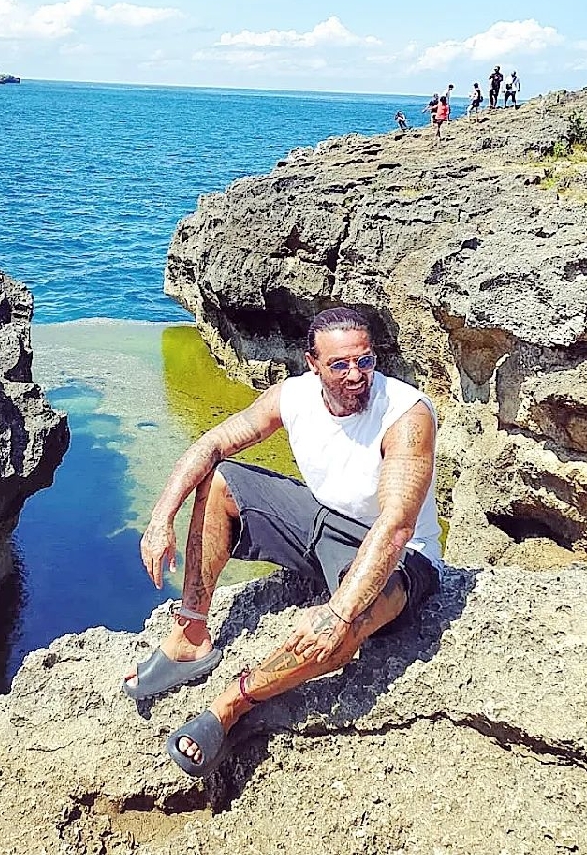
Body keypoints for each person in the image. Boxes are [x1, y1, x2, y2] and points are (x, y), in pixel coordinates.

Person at [123, 307, 442, 778]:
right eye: (339, 365)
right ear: (312, 363)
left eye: (366, 361)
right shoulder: (291, 397)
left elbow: (396, 525)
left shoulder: (406, 414)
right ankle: (190, 634)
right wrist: (160, 517)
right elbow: (211, 445)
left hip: (399, 556)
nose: (356, 376)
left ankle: (231, 705)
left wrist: (337, 612)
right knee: (219, 481)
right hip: (320, 521)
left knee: (343, 632)